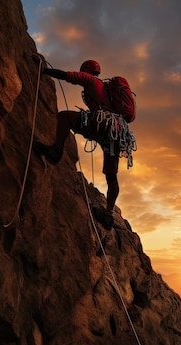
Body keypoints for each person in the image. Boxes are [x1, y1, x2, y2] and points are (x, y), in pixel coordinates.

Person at [32, 58, 123, 229]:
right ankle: (108, 215)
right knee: (112, 176)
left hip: (102, 125)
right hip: (115, 132)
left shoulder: (89, 80)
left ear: (86, 70)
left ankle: (56, 151)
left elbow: (68, 76)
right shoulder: (105, 88)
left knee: (65, 117)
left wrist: (44, 70)